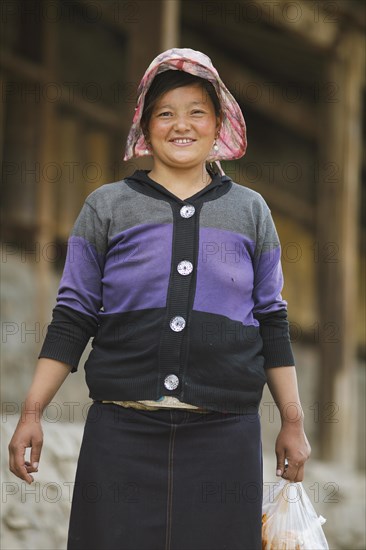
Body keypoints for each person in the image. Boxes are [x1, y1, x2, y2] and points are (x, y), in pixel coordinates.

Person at [8, 48, 311, 550]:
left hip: (223, 438)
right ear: (145, 128)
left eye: (197, 112)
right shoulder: (107, 207)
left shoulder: (250, 212)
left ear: (219, 125)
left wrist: (294, 422)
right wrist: (32, 412)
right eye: (165, 113)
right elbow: (73, 316)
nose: (181, 125)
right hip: (122, 436)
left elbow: (271, 322)